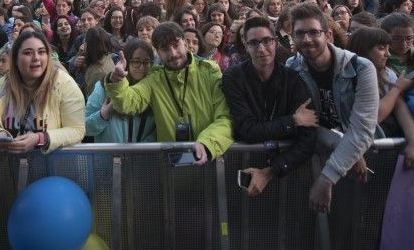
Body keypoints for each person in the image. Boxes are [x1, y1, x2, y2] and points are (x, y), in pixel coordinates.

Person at [285, 4, 379, 213]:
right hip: (325, 153)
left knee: (360, 220)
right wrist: (345, 148)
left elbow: (362, 129)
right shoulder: (292, 68)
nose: (306, 39)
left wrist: (327, 178)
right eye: (300, 33)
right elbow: (304, 123)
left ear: (328, 35)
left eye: (313, 32)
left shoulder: (361, 68)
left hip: (366, 156)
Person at [105, 22, 234, 164]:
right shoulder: (154, 79)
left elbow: (226, 117)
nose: (173, 53)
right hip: (170, 169)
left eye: (176, 45)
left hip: (211, 161)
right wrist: (117, 81)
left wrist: (207, 143)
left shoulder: (209, 72)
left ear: (185, 43)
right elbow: (128, 103)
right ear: (158, 53)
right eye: (165, 49)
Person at [222, 16, 318, 196]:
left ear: (275, 42)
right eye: (254, 43)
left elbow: (308, 138)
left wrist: (270, 172)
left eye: (267, 41)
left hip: (288, 171)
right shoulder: (233, 77)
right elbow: (246, 130)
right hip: (243, 166)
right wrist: (293, 121)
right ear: (245, 44)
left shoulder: (293, 79)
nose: (261, 48)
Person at [0, 31, 85, 152]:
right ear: (15, 58)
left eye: (41, 52)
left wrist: (40, 139)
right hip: (11, 166)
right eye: (28, 53)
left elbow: (76, 130)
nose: (36, 58)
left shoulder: (65, 84)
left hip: (55, 167)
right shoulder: (4, 84)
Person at [347, 28, 414, 167]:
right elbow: (374, 116)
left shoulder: (387, 74)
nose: (387, 54)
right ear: (363, 49)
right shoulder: (349, 77)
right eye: (382, 48)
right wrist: (397, 89)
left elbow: (400, 107)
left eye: (388, 48)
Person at [85, 39, 156, 143]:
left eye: (146, 62)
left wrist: (141, 151)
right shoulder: (104, 87)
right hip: (108, 157)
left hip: (143, 157)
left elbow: (158, 130)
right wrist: (103, 115)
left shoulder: (154, 89)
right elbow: (85, 128)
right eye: (136, 61)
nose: (141, 67)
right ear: (126, 61)